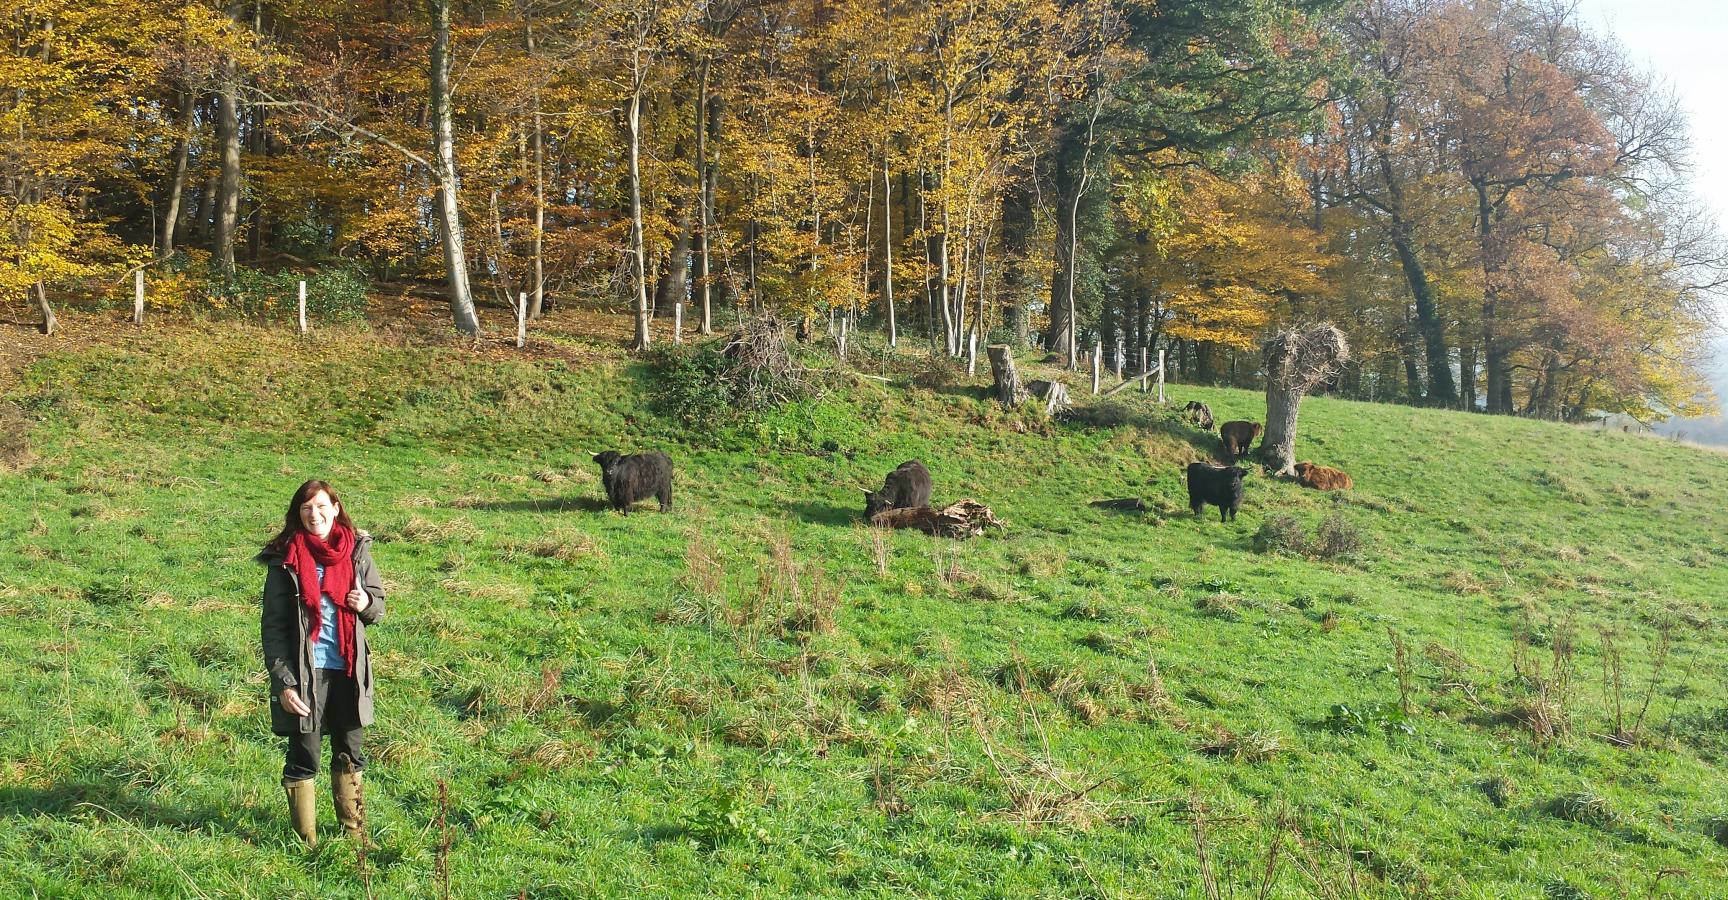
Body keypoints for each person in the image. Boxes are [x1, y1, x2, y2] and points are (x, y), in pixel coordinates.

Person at [258, 479, 386, 848]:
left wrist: (365, 604)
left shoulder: (356, 551)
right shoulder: (286, 559)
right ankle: (306, 842)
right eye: (305, 509)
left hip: (348, 669)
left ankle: (354, 835)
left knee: (350, 752)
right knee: (305, 755)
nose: (314, 515)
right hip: (304, 673)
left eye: (320, 506)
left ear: (335, 507)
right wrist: (284, 682)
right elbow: (274, 627)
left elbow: (377, 605)